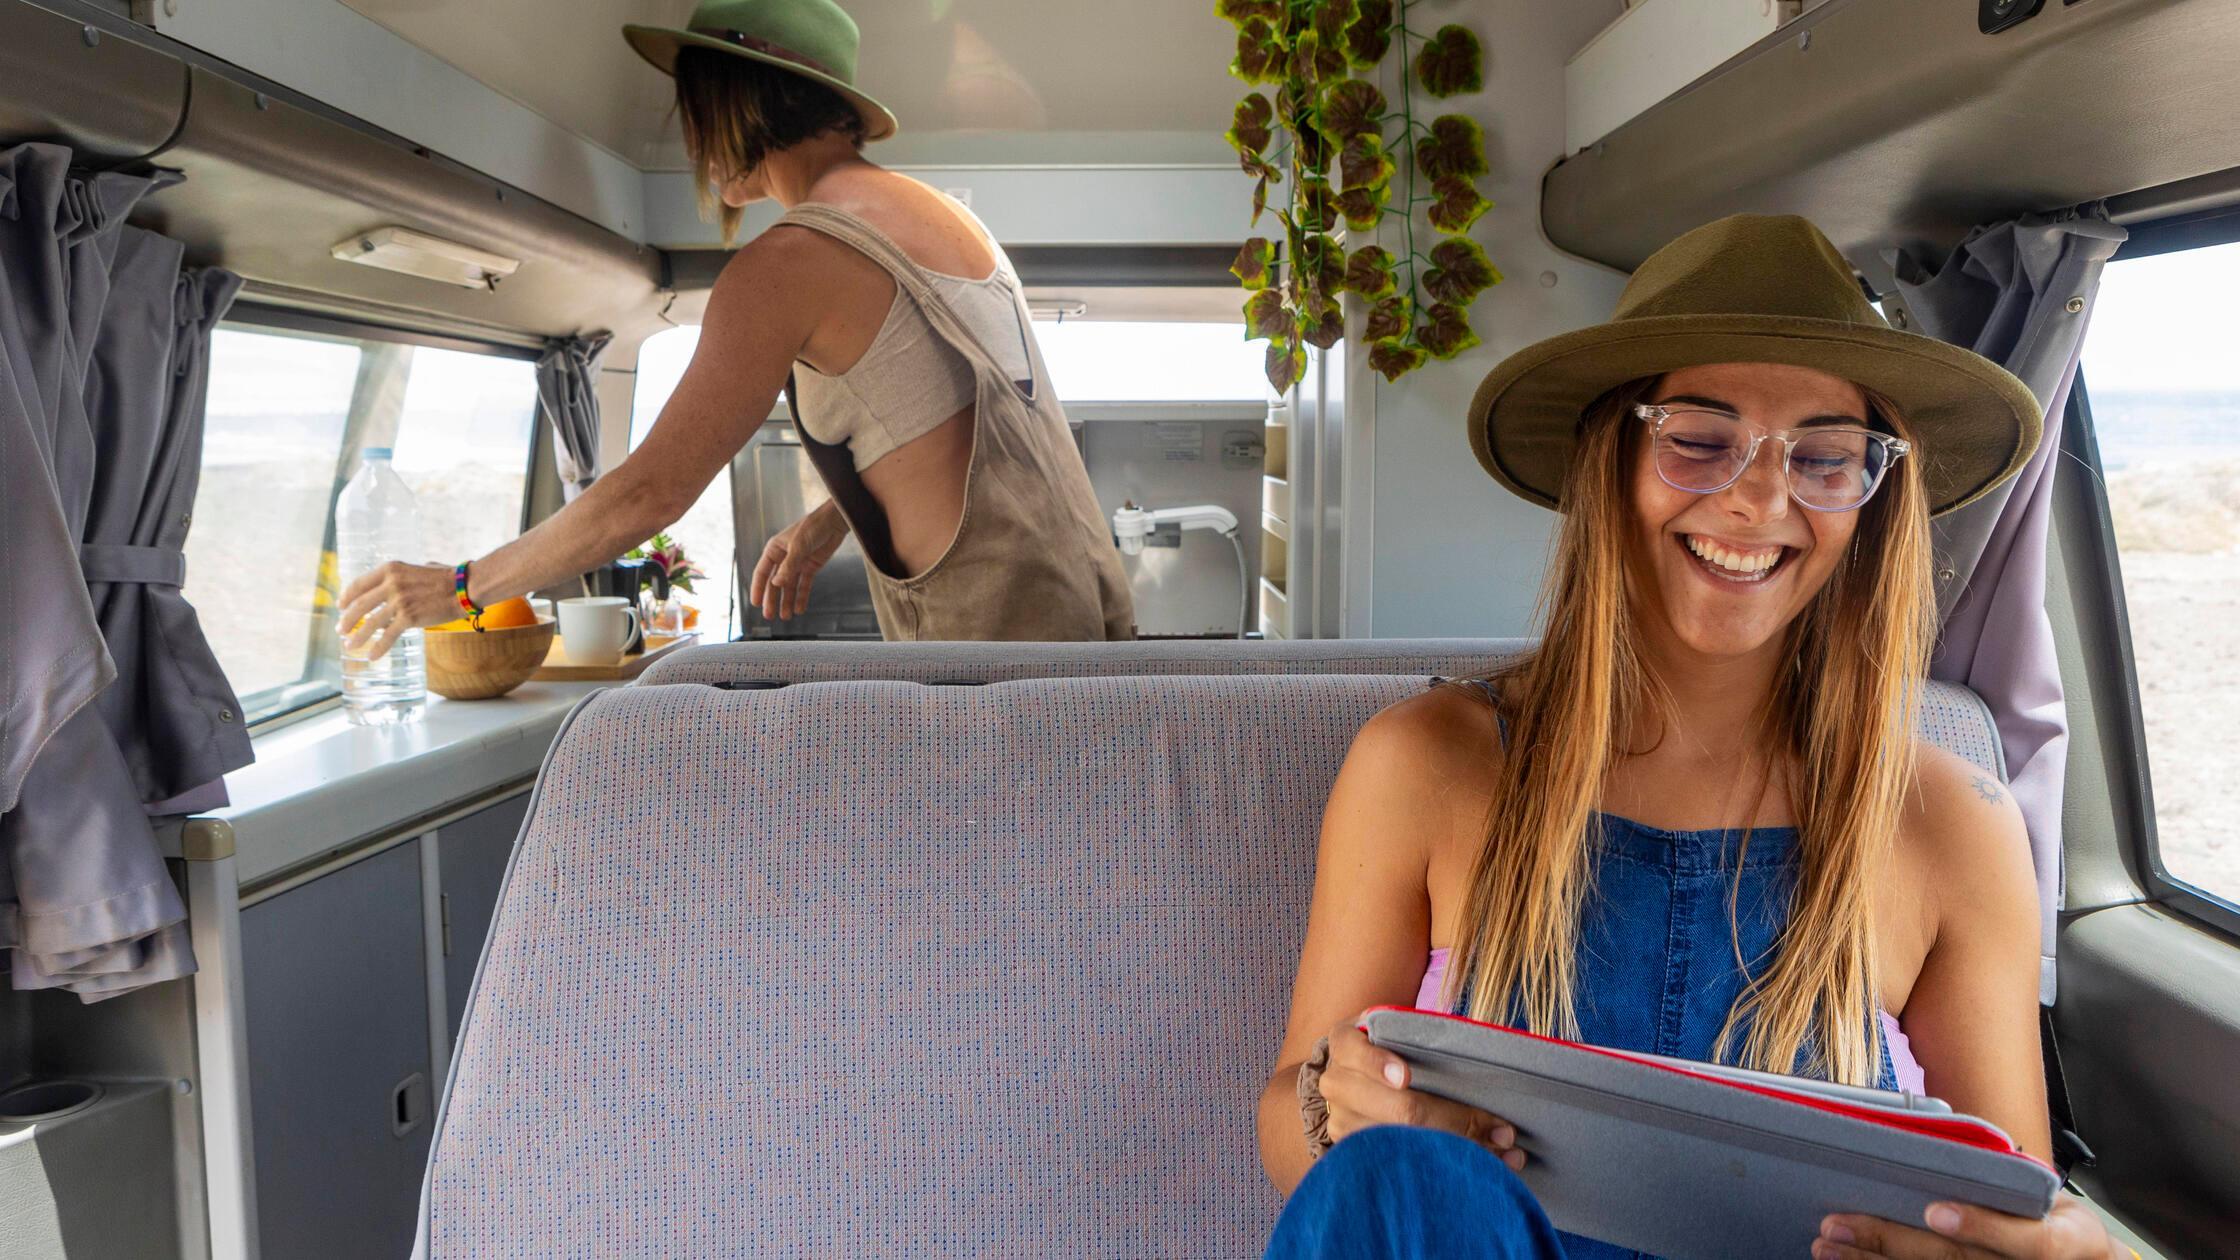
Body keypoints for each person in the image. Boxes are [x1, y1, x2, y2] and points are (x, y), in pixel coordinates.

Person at [1256, 216, 2122, 1259]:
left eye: (1823, 457)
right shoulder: (1426, 761)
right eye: (1699, 441)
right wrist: (1337, 1108)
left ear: (1868, 499)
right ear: (1610, 461)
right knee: (1399, 1180)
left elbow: (1999, 1203)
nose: (1758, 499)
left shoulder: (1951, 827)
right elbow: (1296, 1114)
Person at [338, 0, 1134, 650]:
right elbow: (968, 436)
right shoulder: (946, 219)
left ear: (738, 99)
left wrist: (461, 587)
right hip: (1088, 632)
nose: (688, 138)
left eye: (693, 106)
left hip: (995, 676)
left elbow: (648, 493)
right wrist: (836, 518)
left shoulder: (788, 262)